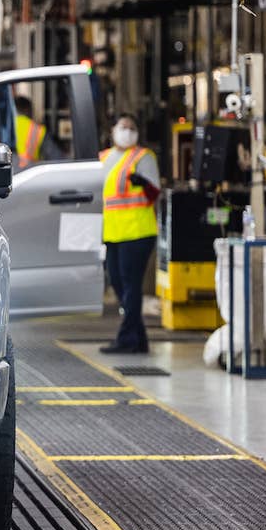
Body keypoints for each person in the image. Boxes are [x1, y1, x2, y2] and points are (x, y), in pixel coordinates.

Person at [100, 113, 160, 355]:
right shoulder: (103, 157)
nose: (127, 131)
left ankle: (127, 339)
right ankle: (139, 338)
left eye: (132, 127)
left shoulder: (143, 157)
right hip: (112, 232)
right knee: (117, 282)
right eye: (123, 127)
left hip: (138, 232)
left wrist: (143, 183)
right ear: (113, 130)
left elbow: (154, 193)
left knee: (131, 286)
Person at [12, 95, 61, 168]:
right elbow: (57, 159)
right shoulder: (36, 129)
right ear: (29, 110)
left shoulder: (1, 127)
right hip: (29, 174)